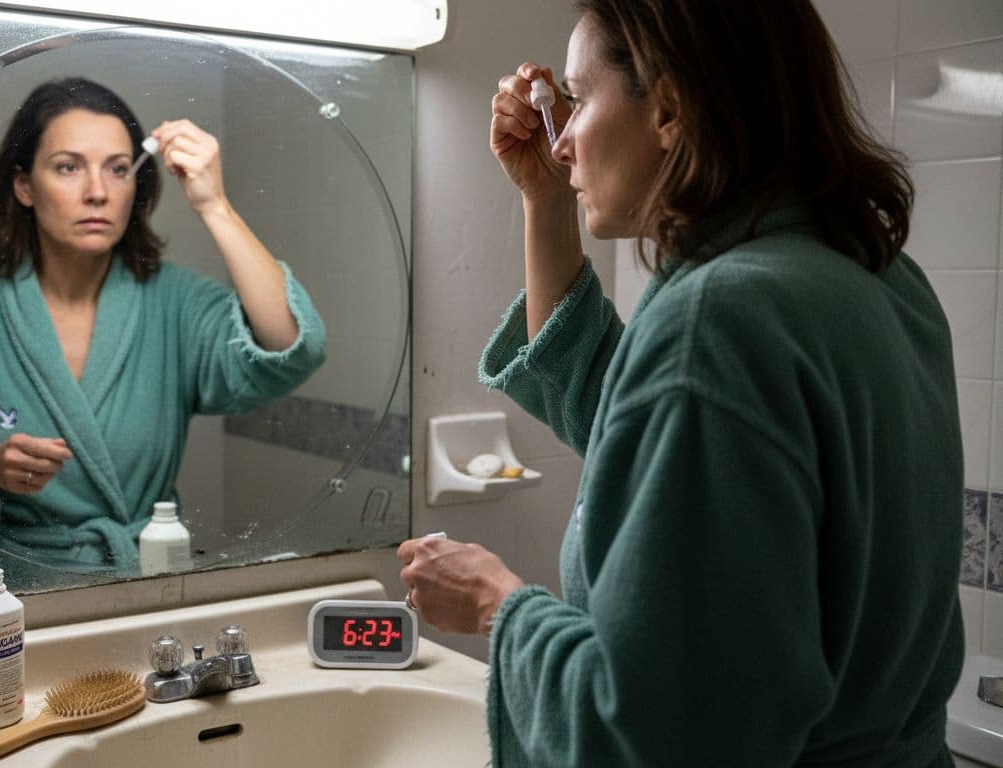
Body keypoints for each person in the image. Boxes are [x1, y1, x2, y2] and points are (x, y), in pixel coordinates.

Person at [398, 1, 964, 765]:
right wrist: (546, 199)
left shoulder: (719, 318)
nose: (561, 141)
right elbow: (633, 423)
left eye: (578, 99)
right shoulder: (876, 277)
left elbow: (659, 732)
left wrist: (497, 605)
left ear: (667, 107)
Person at [0, 76, 326, 574]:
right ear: (24, 186)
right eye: (68, 167)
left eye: (117, 169)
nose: (97, 193)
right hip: (8, 591)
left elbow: (291, 348)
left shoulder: (174, 301)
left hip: (146, 580)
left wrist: (213, 205)